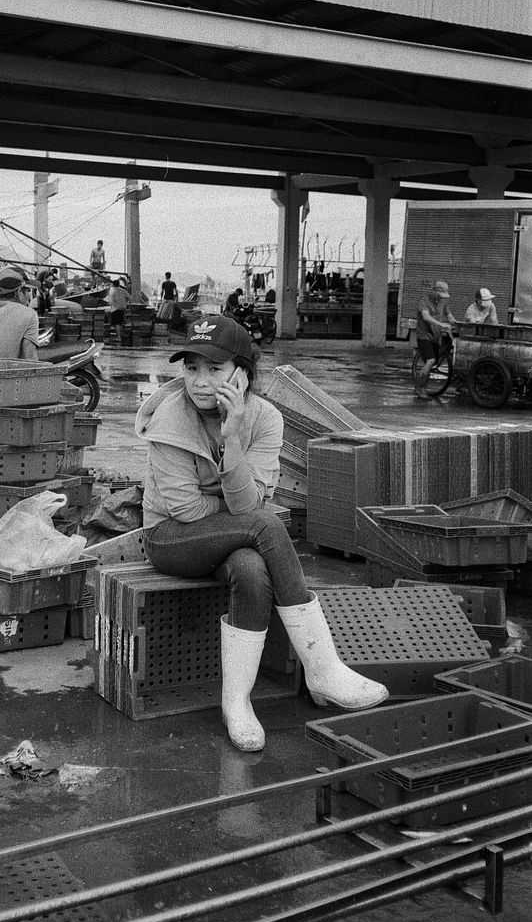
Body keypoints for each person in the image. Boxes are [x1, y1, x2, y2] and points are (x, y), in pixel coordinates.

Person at [135, 315, 387, 751]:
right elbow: (188, 510)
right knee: (266, 524)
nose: (199, 381)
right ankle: (322, 668)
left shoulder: (265, 418)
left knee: (251, 569)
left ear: (243, 373)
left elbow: (249, 505)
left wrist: (232, 440)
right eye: (191, 368)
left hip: (232, 537)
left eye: (214, 369)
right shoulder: (168, 419)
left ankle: (236, 702)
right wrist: (239, 510)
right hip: (171, 538)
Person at [414, 279, 457, 399]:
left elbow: (449, 315)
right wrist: (441, 324)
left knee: (434, 362)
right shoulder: (424, 301)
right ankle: (419, 387)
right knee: (430, 360)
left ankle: (423, 383)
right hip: (424, 335)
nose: (441, 298)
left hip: (436, 336)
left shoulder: (443, 302)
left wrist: (454, 322)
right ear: (434, 292)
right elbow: (426, 317)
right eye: (439, 295)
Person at [107, 277, 130, 343]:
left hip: (115, 309)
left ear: (113, 285)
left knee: (117, 324)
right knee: (120, 323)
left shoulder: (113, 292)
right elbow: (130, 297)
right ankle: (120, 337)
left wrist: (116, 305)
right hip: (122, 309)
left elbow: (111, 302)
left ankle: (118, 337)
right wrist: (125, 303)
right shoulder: (123, 291)